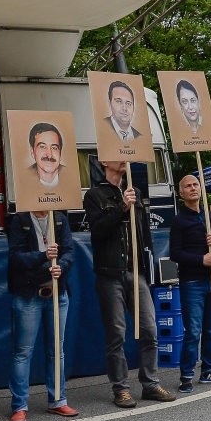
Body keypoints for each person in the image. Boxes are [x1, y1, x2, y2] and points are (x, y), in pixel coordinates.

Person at [83, 159, 175, 407]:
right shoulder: (94, 195)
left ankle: (150, 384)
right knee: (116, 334)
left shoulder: (137, 191)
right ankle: (121, 388)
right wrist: (122, 207)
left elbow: (144, 234)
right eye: (116, 155)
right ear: (104, 161)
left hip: (137, 272)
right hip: (110, 274)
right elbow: (98, 231)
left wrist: (147, 269)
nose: (124, 159)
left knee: (149, 330)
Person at [6, 209, 78, 421]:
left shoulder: (59, 218)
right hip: (29, 294)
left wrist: (61, 267)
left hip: (57, 293)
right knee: (23, 351)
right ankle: (19, 405)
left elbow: (69, 252)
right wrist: (43, 257)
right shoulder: (19, 220)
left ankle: (58, 400)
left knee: (57, 350)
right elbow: (15, 257)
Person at [170, 174, 211, 392]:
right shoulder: (179, 221)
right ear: (181, 193)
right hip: (192, 282)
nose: (193, 188)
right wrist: (201, 259)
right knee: (193, 331)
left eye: (196, 184)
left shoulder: (210, 216)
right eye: (188, 186)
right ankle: (186, 375)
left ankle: (208, 370)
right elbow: (175, 253)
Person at [27, 122, 64, 189]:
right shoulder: (23, 178)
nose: (49, 155)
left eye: (54, 148)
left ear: (60, 153)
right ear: (33, 152)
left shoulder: (71, 176)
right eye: (42, 147)